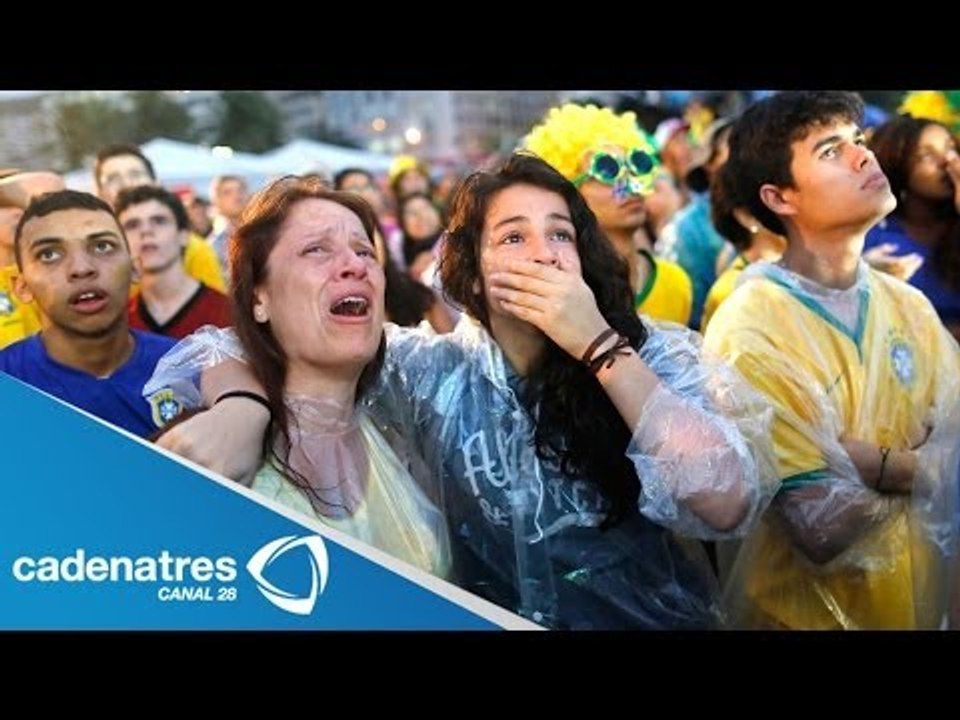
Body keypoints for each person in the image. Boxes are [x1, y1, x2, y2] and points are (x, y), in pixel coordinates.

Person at [149, 156, 777, 629]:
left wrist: (599, 347)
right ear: (470, 269)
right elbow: (239, 344)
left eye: (560, 235)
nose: (545, 254)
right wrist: (242, 407)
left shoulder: (653, 354)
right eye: (512, 238)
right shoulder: (432, 374)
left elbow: (725, 500)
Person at [704, 91, 960, 629]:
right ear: (779, 198)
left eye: (859, 140)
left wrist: (878, 466)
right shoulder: (751, 325)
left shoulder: (908, 307)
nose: (863, 157)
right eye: (830, 151)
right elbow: (819, 526)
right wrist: (926, 469)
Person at [156, 176, 449, 576]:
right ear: (259, 298)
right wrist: (241, 405)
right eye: (316, 249)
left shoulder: (401, 421)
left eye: (365, 251)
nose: (355, 266)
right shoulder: (216, 456)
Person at [0, 190, 181, 437]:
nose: (82, 268)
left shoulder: (189, 368)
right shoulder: (8, 383)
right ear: (21, 286)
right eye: (49, 254)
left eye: (102, 246)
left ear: (135, 268)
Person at [523, 103, 694, 326]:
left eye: (636, 165)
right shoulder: (565, 296)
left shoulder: (675, 283)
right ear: (566, 192)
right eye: (607, 170)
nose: (629, 185)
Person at [865, 114, 960, 340]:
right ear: (898, 169)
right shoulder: (876, 238)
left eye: (950, 147)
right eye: (926, 156)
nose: (948, 161)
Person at [93, 144, 226, 293]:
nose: (126, 184)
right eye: (113, 179)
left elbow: (217, 310)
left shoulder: (191, 249)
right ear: (99, 192)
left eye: (135, 175)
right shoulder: (90, 255)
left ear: (155, 184)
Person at [115, 186, 231, 339]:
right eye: (132, 225)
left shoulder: (229, 314)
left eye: (159, 221)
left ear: (184, 235)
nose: (146, 231)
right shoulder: (117, 324)